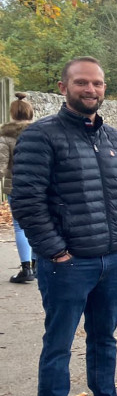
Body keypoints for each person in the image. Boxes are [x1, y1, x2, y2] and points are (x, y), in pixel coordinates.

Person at [11, 57, 117, 396]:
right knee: (59, 342)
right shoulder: (40, 136)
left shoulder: (114, 138)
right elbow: (27, 202)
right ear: (63, 86)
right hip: (68, 264)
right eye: (82, 83)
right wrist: (57, 252)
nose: (91, 90)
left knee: (104, 338)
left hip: (114, 260)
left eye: (98, 84)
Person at [1, 92, 35, 283]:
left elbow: (1, 165)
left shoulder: (5, 136)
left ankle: (26, 268)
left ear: (12, 114)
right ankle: (38, 265)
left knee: (20, 226)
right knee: (39, 223)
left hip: (15, 186)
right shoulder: (40, 133)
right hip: (40, 185)